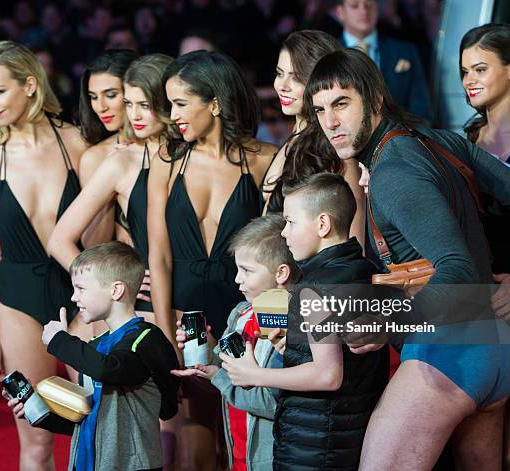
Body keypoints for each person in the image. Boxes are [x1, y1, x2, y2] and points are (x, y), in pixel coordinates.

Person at [306, 48, 510, 469]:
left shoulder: (394, 173)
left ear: (375, 99)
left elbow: (459, 271)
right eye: (320, 109)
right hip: (495, 349)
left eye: (342, 103)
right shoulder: (442, 141)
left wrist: (386, 321)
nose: (330, 123)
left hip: (449, 352)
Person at [148, 50, 277, 470]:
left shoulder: (262, 160)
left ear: (216, 103)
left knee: (244, 427)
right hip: (184, 311)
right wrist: (166, 331)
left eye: (181, 103)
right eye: (168, 105)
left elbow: (273, 249)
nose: (171, 115)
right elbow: (160, 255)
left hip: (241, 310)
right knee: (197, 432)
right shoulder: (166, 163)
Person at [0, 41, 88, 470]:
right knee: (36, 440)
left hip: (81, 297)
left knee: (96, 427)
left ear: (30, 85)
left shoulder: (76, 143)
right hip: (17, 303)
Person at [222, 173, 389, 470]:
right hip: (346, 440)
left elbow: (328, 375)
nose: (284, 233)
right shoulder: (364, 270)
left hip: (314, 447)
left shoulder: (316, 287)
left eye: (290, 222)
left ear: (323, 224)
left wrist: (254, 375)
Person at [5, 241, 180, 471]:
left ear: (116, 290)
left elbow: (109, 369)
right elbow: (91, 421)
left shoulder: (145, 340)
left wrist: (60, 340)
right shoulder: (96, 345)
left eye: (81, 288)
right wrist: (37, 410)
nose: (73, 297)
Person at [460, 23, 510, 471]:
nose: (468, 79)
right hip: (477, 308)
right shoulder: (466, 140)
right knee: (482, 450)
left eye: (480, 68)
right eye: (464, 70)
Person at [48, 54, 174, 322]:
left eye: (111, 95)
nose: (101, 107)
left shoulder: (188, 153)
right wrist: (107, 285)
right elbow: (77, 242)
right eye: (129, 103)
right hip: (140, 290)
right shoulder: (114, 159)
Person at [172, 213, 299, 471]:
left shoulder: (288, 325)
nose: (237, 279)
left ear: (281, 273)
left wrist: (219, 377)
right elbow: (226, 368)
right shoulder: (241, 314)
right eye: (237, 269)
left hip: (271, 460)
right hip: (239, 455)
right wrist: (207, 349)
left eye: (247, 271)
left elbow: (273, 403)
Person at [261, 29, 365, 248]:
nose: (282, 86)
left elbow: (354, 248)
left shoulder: (338, 152)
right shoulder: (294, 140)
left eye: (296, 78)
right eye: (280, 73)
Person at [75, 50, 138, 252]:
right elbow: (94, 245)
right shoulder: (96, 157)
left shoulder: (168, 147)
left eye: (111, 95)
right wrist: (108, 183)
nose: (100, 107)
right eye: (93, 97)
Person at [334, 0, 433, 122]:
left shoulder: (404, 51)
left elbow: (421, 111)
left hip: (401, 135)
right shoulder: (329, 54)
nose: (363, 11)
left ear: (376, 9)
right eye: (355, 6)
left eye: (369, 5)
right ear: (340, 12)